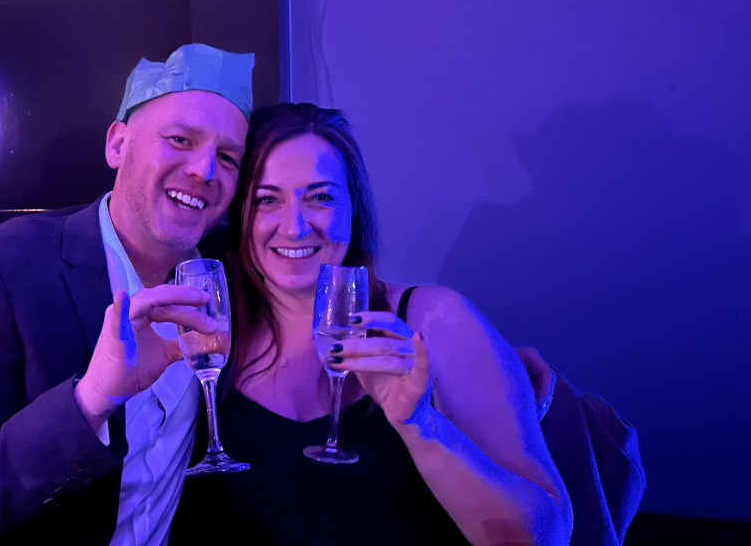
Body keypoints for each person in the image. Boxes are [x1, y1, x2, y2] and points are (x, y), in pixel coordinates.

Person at [0, 43, 255, 545]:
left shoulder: (228, 276)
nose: (205, 170)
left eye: (227, 157)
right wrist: (89, 401)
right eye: (180, 139)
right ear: (118, 144)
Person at [171, 103, 575, 545]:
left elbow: (545, 537)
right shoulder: (203, 332)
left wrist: (422, 427)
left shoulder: (433, 320)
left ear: (353, 208)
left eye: (321, 197)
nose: (295, 227)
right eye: (267, 200)